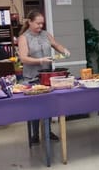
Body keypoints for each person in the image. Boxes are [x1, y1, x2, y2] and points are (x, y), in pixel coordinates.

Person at [17, 10, 70, 145]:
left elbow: (56, 45)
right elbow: (23, 58)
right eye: (38, 23)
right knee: (35, 107)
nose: (40, 26)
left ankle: (47, 131)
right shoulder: (24, 38)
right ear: (29, 22)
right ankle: (35, 134)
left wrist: (64, 50)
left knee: (47, 105)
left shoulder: (46, 34)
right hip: (32, 78)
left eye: (42, 23)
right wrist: (40, 60)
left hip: (46, 76)